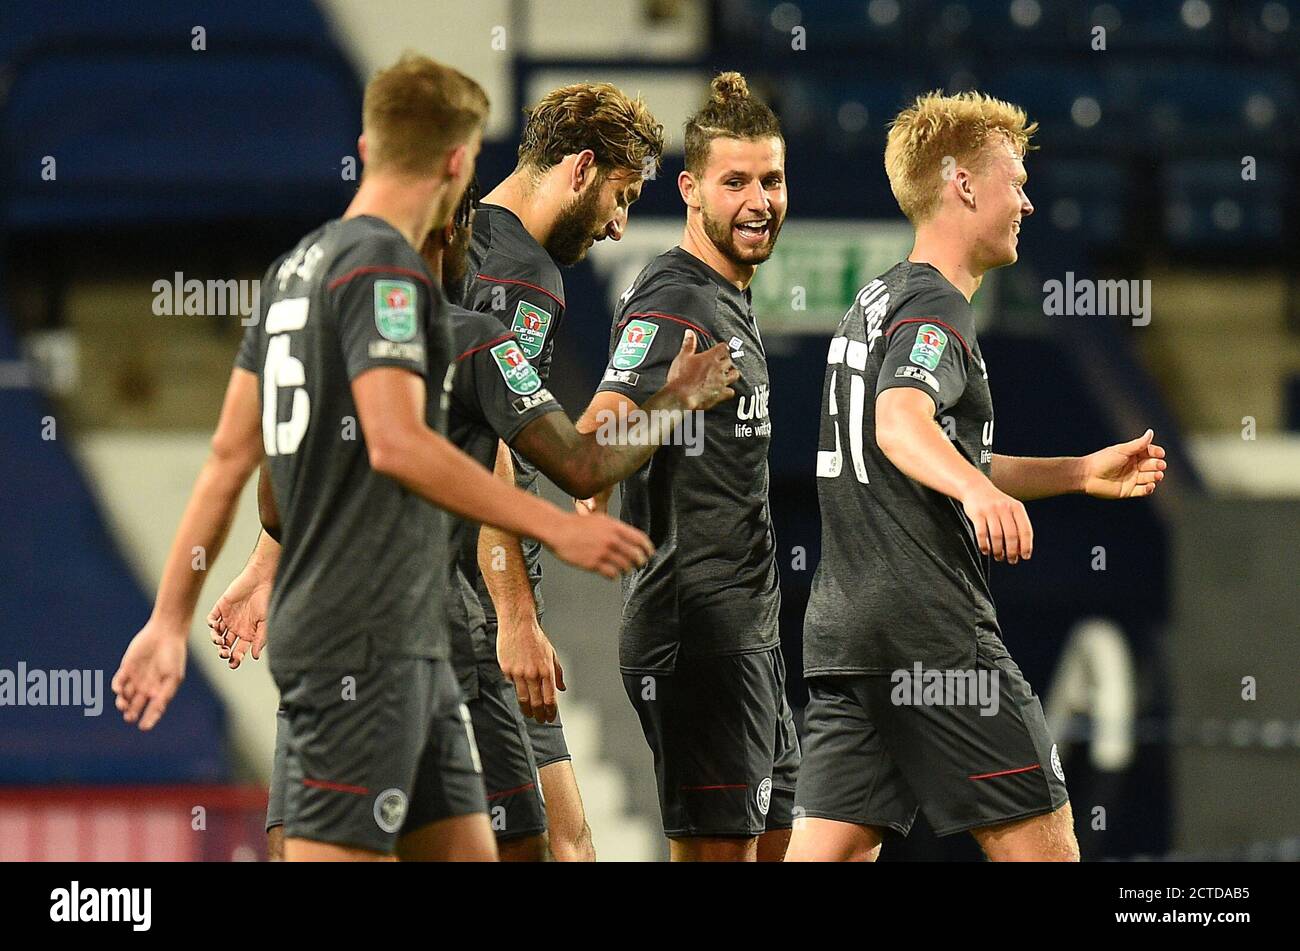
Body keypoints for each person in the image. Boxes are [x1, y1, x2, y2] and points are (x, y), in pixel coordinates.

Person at [112, 53, 652, 863]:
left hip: (410, 634)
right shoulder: (393, 278)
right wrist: (555, 529)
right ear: (457, 163)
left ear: (367, 149)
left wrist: (171, 616)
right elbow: (401, 442)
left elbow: (238, 460)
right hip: (358, 635)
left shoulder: (294, 272)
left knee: (511, 850)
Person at [212, 179, 737, 862]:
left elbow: (274, 497)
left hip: (317, 629)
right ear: (453, 232)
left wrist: (261, 564)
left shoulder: (326, 341)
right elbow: (581, 464)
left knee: (302, 841)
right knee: (524, 840)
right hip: (432, 632)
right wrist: (675, 398)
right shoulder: (474, 341)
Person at [785, 90, 1167, 862]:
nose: (1026, 200)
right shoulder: (937, 306)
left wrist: (1077, 470)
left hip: (849, 633)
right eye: (1015, 180)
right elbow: (899, 422)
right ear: (962, 184)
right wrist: (979, 491)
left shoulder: (877, 298)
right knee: (1047, 845)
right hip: (933, 633)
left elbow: (929, 449)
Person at [576, 73, 800, 862]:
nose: (758, 200)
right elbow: (594, 433)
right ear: (691, 189)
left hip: (752, 637)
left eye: (770, 179)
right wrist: (594, 487)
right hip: (696, 634)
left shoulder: (728, 297)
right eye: (734, 181)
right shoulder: (674, 297)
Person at [458, 83, 665, 860]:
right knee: (561, 843)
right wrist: (515, 616)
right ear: (581, 169)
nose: (619, 224)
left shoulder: (452, 243)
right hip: (475, 609)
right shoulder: (523, 279)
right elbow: (496, 452)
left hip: (409, 592)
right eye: (622, 196)